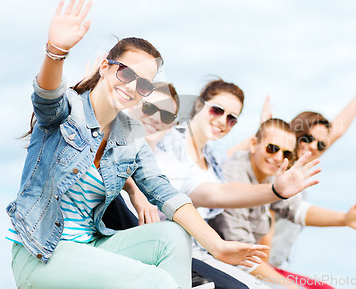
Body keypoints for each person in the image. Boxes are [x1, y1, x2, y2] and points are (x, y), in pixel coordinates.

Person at [5, 0, 268, 289]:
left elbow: (164, 191)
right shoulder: (69, 111)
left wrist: (217, 245)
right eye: (126, 73)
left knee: (172, 235)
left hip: (91, 248)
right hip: (42, 254)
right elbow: (47, 96)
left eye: (143, 84)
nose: (131, 86)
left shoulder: (129, 135)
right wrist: (56, 51)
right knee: (155, 282)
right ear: (105, 67)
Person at [155, 79, 321, 289]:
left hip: (197, 251)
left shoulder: (212, 161)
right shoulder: (170, 140)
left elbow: (226, 186)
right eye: (217, 110)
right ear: (199, 105)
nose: (223, 121)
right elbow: (219, 193)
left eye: (232, 118)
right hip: (165, 245)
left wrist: (276, 190)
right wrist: (274, 190)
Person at [209, 119, 356, 289]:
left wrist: (345, 219)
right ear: (254, 144)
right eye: (272, 148)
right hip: (218, 263)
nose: (278, 157)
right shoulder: (233, 175)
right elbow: (243, 256)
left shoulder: (272, 174)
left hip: (250, 264)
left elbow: (297, 209)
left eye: (286, 153)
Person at [102, 82, 248, 289]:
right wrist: (133, 190)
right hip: (118, 233)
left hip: (166, 242)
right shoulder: (108, 136)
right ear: (132, 105)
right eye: (150, 108)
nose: (156, 118)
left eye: (167, 116)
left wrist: (276, 191)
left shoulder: (173, 165)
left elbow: (177, 195)